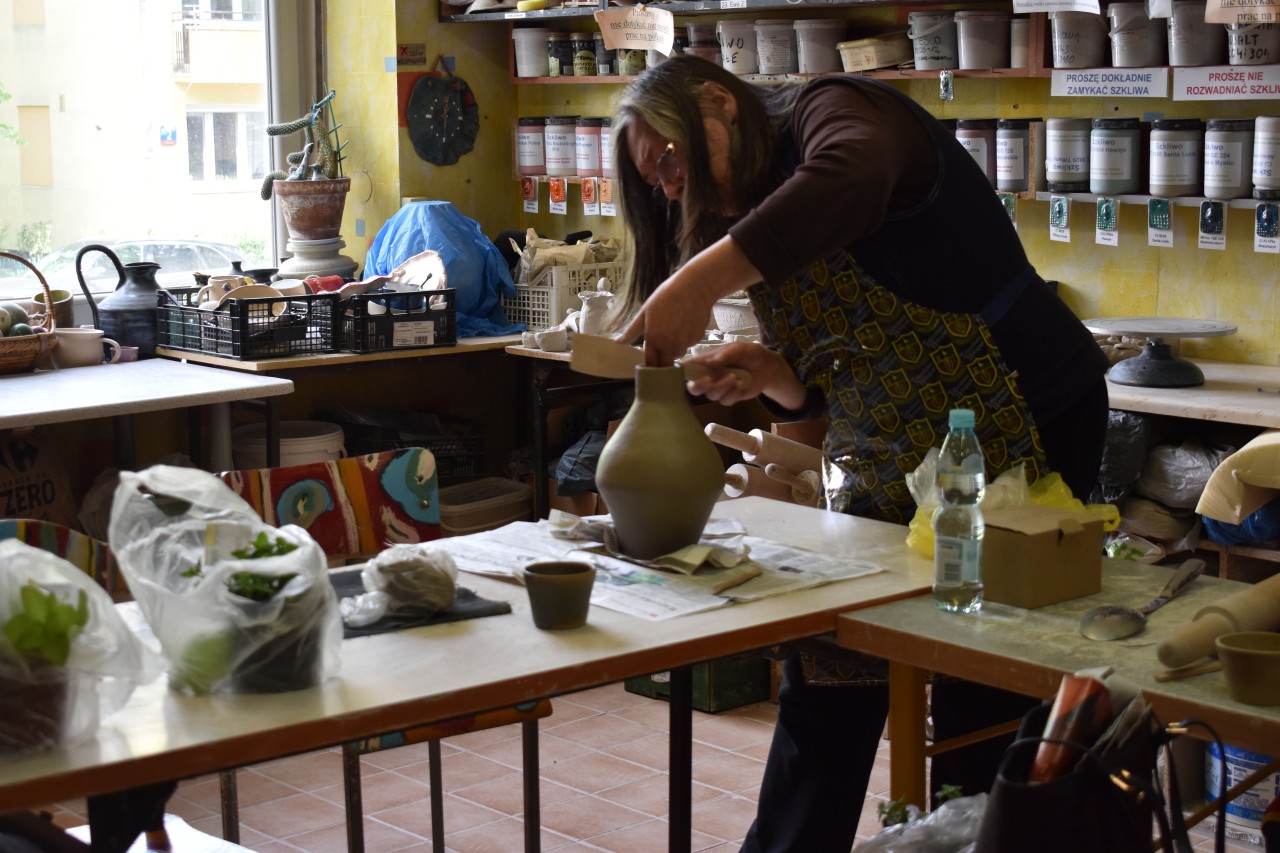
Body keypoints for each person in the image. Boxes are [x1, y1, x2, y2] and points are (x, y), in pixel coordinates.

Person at [610, 55, 1110, 852]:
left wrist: (699, 282)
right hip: (892, 454)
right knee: (828, 675)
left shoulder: (836, 115)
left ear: (719, 101)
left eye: (670, 158)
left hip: (1022, 421)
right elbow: (828, 388)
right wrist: (779, 381)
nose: (672, 186)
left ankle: (975, 837)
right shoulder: (754, 208)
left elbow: (857, 171)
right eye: (656, 181)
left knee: (979, 682)